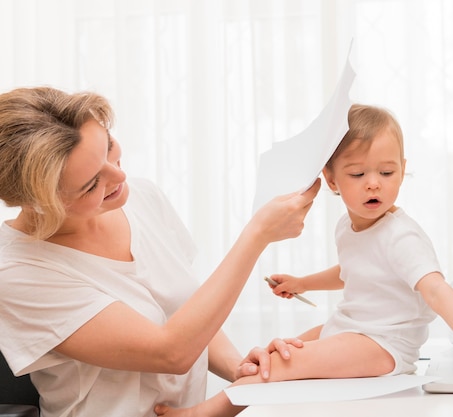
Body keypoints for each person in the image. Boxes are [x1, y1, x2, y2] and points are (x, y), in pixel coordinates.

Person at [153, 104, 453, 417]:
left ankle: (202, 413)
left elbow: (435, 289)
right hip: (351, 327)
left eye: (387, 172)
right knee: (273, 351)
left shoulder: (402, 235)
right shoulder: (347, 228)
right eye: (358, 173)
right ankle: (226, 401)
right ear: (331, 181)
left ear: (402, 168)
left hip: (384, 343)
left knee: (283, 363)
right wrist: (302, 283)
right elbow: (352, 273)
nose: (373, 183)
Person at [0, 86, 321, 417]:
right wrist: (257, 235)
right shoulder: (16, 271)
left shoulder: (141, 197)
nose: (119, 174)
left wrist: (241, 369)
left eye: (109, 147)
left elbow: (187, 314)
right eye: (92, 183)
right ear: (39, 202)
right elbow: (170, 352)